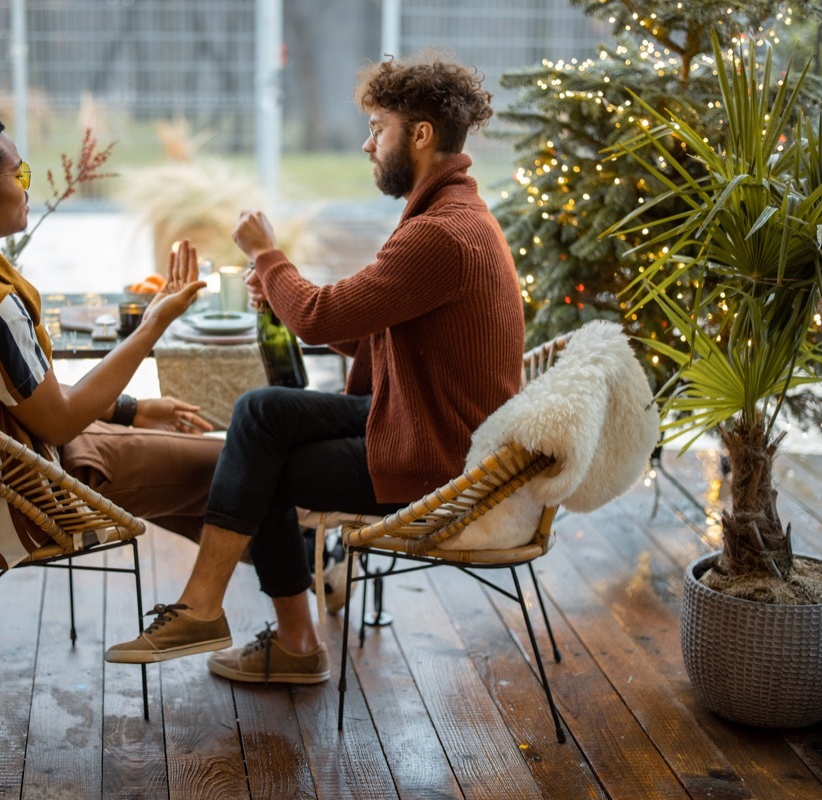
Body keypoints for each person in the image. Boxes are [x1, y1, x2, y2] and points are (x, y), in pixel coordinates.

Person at [105, 51, 525, 684]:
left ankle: (270, 634)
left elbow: (322, 318)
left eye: (377, 128)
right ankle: (223, 613)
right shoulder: (452, 217)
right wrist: (279, 288)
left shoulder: (440, 233)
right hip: (422, 420)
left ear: (420, 135)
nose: (366, 144)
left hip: (438, 455)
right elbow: (385, 337)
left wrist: (269, 258)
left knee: (259, 464)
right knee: (260, 412)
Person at [0, 112, 222, 568]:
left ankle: (303, 584)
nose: (28, 187)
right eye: (20, 174)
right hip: (22, 502)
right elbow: (60, 422)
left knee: (216, 484)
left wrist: (133, 412)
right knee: (238, 462)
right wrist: (154, 322)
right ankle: (292, 601)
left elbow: (21, 393)